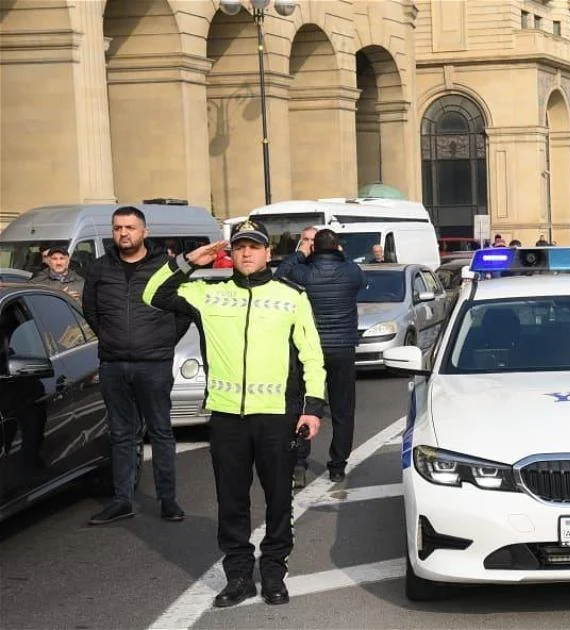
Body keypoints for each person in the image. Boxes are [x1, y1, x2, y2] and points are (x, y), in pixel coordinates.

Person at [142, 219, 326, 607]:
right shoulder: (209, 294)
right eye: (239, 246)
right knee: (231, 501)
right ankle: (239, 575)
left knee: (279, 499)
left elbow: (312, 355)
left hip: (277, 415)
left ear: (266, 253)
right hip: (226, 417)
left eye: (254, 247)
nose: (246, 253)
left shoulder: (291, 294)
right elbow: (153, 294)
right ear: (231, 253)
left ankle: (274, 571)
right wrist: (190, 260)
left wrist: (312, 408)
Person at [81, 207, 190, 525]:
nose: (123, 233)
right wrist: (113, 339)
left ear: (145, 231)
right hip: (114, 364)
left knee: (160, 431)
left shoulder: (166, 267)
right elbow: (91, 310)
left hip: (153, 364)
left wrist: (162, 339)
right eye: (117, 228)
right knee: (121, 434)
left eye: (130, 227)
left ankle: (168, 500)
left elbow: (184, 310)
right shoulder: (100, 268)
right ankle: (122, 499)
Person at [276, 228, 366, 486]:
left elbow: (280, 275)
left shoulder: (304, 273)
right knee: (342, 410)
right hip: (342, 349)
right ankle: (337, 466)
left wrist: (301, 254)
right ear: (337, 247)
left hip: (309, 348)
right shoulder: (350, 271)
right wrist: (341, 254)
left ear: (314, 248)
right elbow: (359, 277)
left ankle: (299, 464)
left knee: (305, 406)